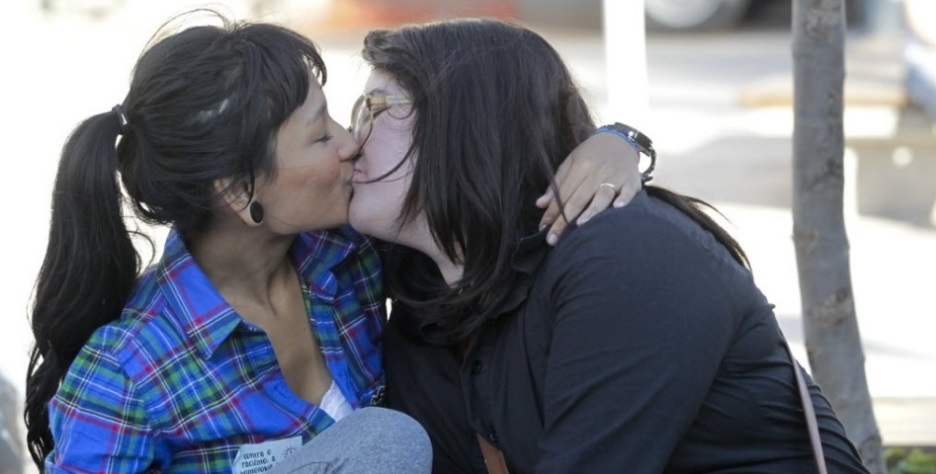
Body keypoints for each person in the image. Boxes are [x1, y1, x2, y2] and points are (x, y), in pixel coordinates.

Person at [25, 11, 643, 474]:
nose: (351, 142)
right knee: (385, 441)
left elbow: (487, 195)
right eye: (320, 136)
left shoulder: (351, 258)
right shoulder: (129, 371)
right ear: (241, 192)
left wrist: (615, 140)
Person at [347, 18, 872, 473]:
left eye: (375, 108)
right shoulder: (420, 289)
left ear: (468, 122)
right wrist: (624, 136)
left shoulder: (625, 256)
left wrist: (624, 139)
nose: (351, 141)